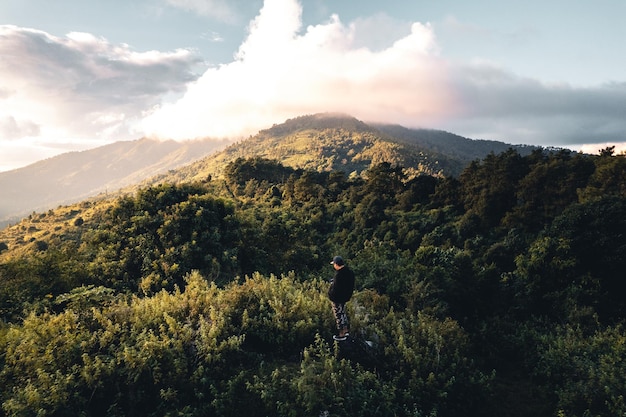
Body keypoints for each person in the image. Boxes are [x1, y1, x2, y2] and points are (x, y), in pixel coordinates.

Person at [328, 255, 355, 341]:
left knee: (338, 315)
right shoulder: (350, 273)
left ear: (336, 264)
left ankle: (341, 334)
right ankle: (346, 331)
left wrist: (330, 294)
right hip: (345, 298)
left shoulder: (339, 275)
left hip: (337, 299)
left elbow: (336, 289)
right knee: (343, 313)